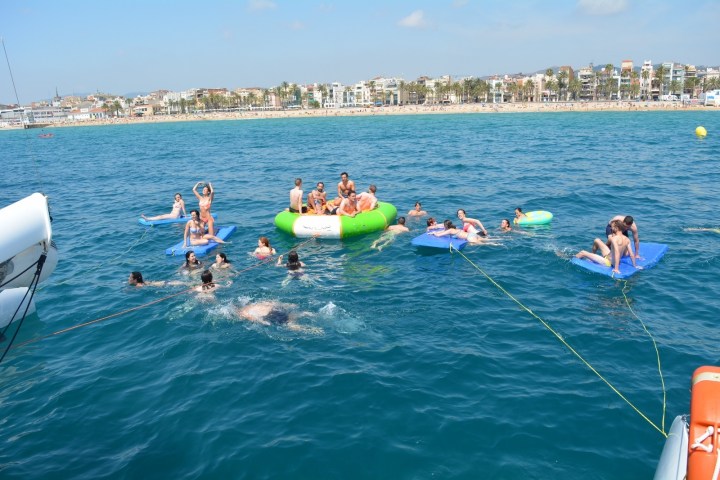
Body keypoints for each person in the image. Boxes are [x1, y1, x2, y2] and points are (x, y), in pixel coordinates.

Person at [576, 220, 641, 274]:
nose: (611, 228)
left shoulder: (614, 239)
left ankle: (571, 259)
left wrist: (616, 269)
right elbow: (632, 254)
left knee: (582, 253)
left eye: (612, 227)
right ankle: (591, 258)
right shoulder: (627, 239)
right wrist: (635, 265)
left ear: (617, 228)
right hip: (610, 257)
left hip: (608, 262)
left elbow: (617, 252)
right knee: (597, 240)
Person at [235, 301, 316, 332]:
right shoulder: (253, 304)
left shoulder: (243, 313)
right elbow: (271, 302)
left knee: (289, 325)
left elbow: (255, 319)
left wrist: (264, 322)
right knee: (290, 315)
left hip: (272, 314)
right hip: (277, 308)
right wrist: (287, 305)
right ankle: (305, 313)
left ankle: (312, 330)